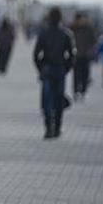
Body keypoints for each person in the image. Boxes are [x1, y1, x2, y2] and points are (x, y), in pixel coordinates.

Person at [34, 7, 75, 139]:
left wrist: (41, 68)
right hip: (60, 69)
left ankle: (48, 128)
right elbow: (72, 54)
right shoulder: (66, 34)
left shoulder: (43, 33)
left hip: (47, 69)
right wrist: (66, 67)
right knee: (58, 99)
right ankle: (57, 127)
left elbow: (36, 54)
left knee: (47, 100)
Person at [70, 13, 98, 101]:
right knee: (76, 74)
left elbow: (94, 41)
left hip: (86, 55)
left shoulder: (89, 29)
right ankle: (75, 91)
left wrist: (91, 50)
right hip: (76, 55)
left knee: (85, 74)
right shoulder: (73, 28)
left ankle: (83, 91)